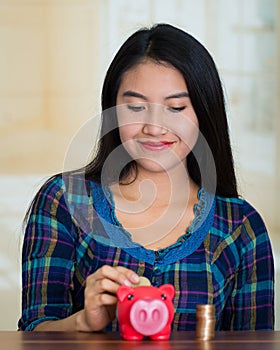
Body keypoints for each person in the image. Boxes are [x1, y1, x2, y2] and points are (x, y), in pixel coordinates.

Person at [18, 23, 274, 332]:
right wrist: (85, 321)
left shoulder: (240, 226)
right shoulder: (64, 200)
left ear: (203, 113)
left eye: (176, 107)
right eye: (136, 107)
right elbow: (33, 334)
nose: (154, 127)